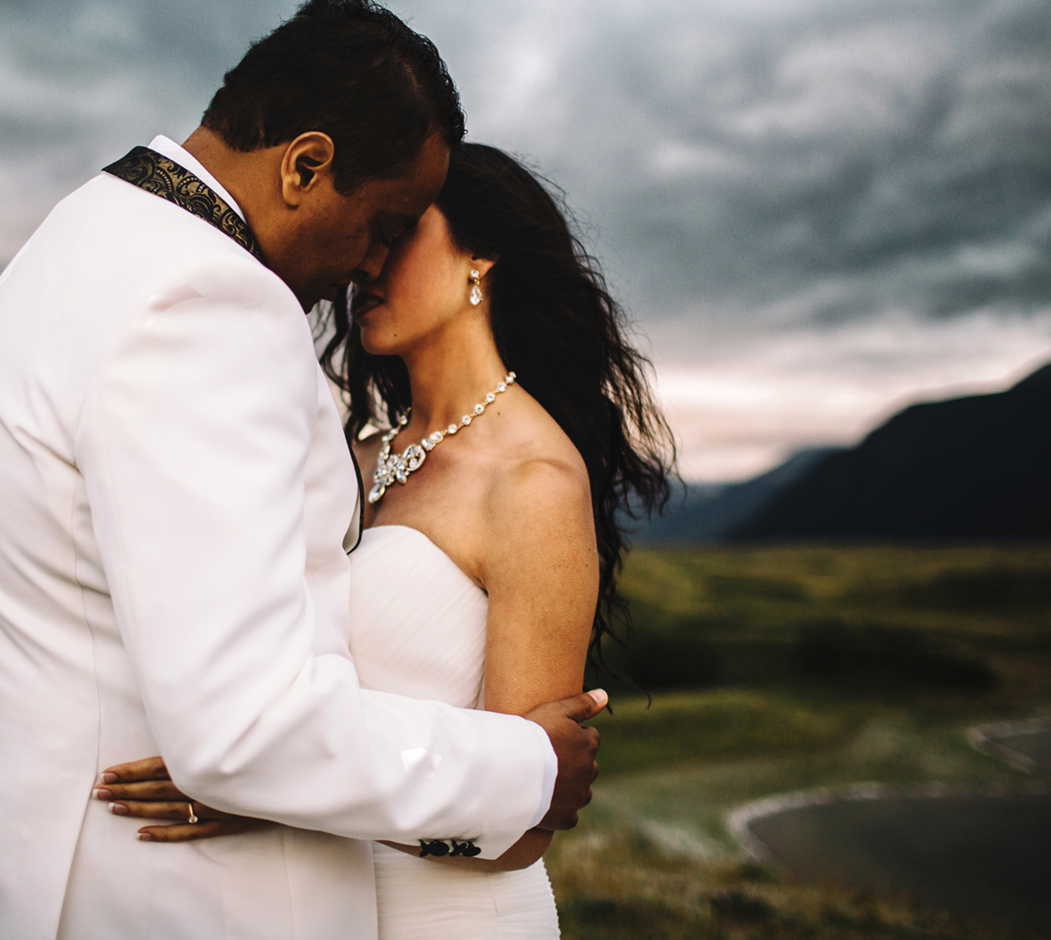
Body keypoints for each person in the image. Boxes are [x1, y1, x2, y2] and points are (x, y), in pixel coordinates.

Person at [0, 0, 607, 940]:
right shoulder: (206, 307)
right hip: (144, 896)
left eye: (405, 232)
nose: (370, 262)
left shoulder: (79, 245)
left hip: (29, 869)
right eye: (381, 221)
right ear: (305, 164)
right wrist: (523, 767)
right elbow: (245, 729)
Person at [98, 143, 675, 937]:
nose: (366, 261)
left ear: (481, 258)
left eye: (398, 233)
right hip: (325, 911)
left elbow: (524, 822)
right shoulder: (353, 456)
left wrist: (269, 799)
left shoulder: (533, 482)